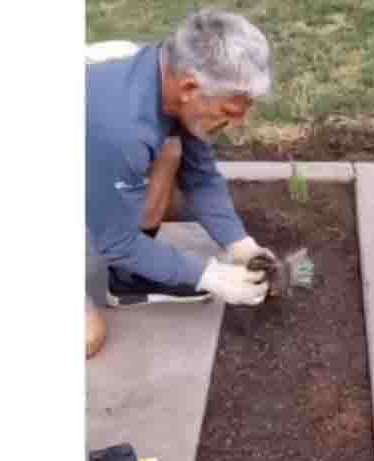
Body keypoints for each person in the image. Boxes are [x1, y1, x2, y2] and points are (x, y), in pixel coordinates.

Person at [86, 9, 279, 355]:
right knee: (89, 338)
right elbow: (115, 243)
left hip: (95, 152)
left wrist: (241, 245)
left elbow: (201, 175)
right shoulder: (120, 128)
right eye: (233, 111)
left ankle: (129, 279)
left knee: (172, 150)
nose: (238, 123)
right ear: (190, 88)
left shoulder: (167, 74)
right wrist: (209, 275)